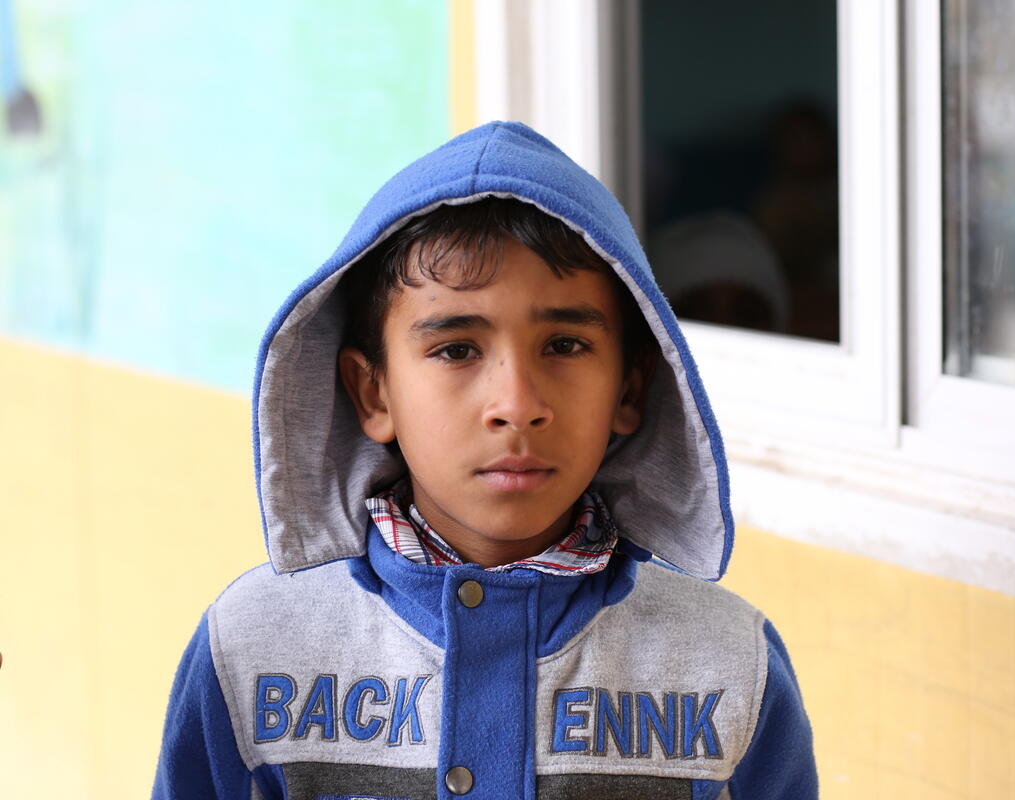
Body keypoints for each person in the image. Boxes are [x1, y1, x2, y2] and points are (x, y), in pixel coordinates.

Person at [151, 121, 818, 799]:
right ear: (372, 391)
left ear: (630, 388)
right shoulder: (254, 646)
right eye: (456, 349)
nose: (517, 404)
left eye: (563, 345)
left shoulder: (727, 664)